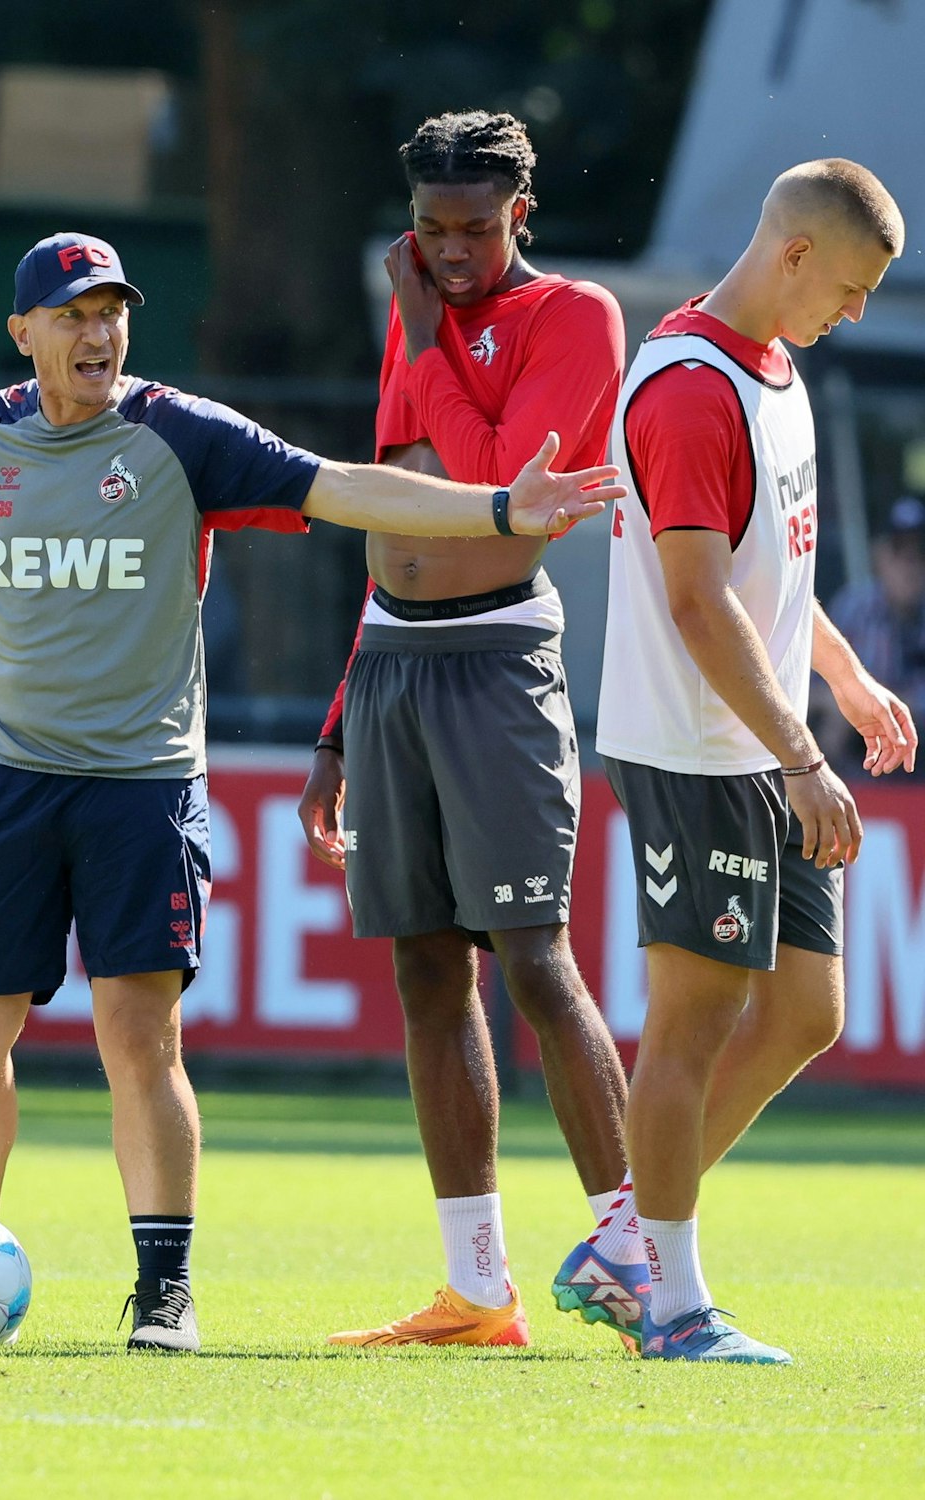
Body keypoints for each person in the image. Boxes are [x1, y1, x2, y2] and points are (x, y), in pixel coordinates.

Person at [0, 229, 619, 1353]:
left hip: (141, 788)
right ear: (22, 332)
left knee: (139, 1037)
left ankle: (164, 1296)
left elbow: (338, 490)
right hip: (5, 783)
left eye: (112, 311)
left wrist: (497, 513)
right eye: (73, 314)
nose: (99, 332)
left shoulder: (180, 434)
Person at [296, 110, 640, 1351]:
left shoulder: (573, 318)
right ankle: (476, 1290)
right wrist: (337, 718)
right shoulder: (418, 305)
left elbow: (503, 490)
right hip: (388, 662)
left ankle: (635, 1254)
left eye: (475, 229)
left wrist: (428, 332)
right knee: (422, 971)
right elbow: (393, 512)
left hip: (496, 662)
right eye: (431, 230)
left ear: (521, 217)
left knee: (533, 959)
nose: (449, 252)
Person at [600, 159, 913, 1363]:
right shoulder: (688, 390)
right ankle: (667, 1303)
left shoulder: (774, 372)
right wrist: (800, 754)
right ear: (791, 256)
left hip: (763, 737)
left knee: (804, 1011)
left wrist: (837, 673)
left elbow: (760, 577)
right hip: (695, 744)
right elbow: (692, 603)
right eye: (848, 286)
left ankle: (627, 1238)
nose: (854, 312)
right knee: (695, 1015)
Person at [815, 495, 925, 777]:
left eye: (920, 554)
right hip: (855, 754)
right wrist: (840, 697)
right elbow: (807, 689)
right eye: (899, 552)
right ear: (880, 556)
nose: (909, 565)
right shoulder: (852, 607)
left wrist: (876, 703)